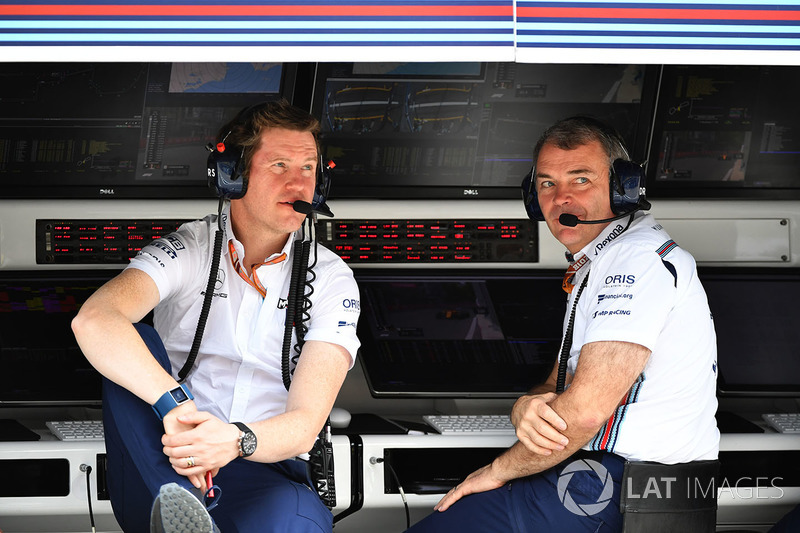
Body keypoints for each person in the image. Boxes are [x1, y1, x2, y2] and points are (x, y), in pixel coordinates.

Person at [406, 116, 719, 532]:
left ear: (622, 188)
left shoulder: (634, 261)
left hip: (615, 483)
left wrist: (498, 470)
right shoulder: (608, 258)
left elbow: (586, 413)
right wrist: (525, 406)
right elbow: (564, 379)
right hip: (627, 483)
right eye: (548, 184)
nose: (561, 199)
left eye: (581, 179)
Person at [72, 99, 361, 533]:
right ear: (233, 174)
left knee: (292, 521)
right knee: (133, 340)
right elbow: (93, 320)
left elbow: (305, 425)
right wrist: (176, 407)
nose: (299, 183)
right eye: (280, 164)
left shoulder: (332, 279)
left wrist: (234, 440)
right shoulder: (188, 248)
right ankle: (179, 510)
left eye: (309, 168)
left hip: (266, 469)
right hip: (166, 460)